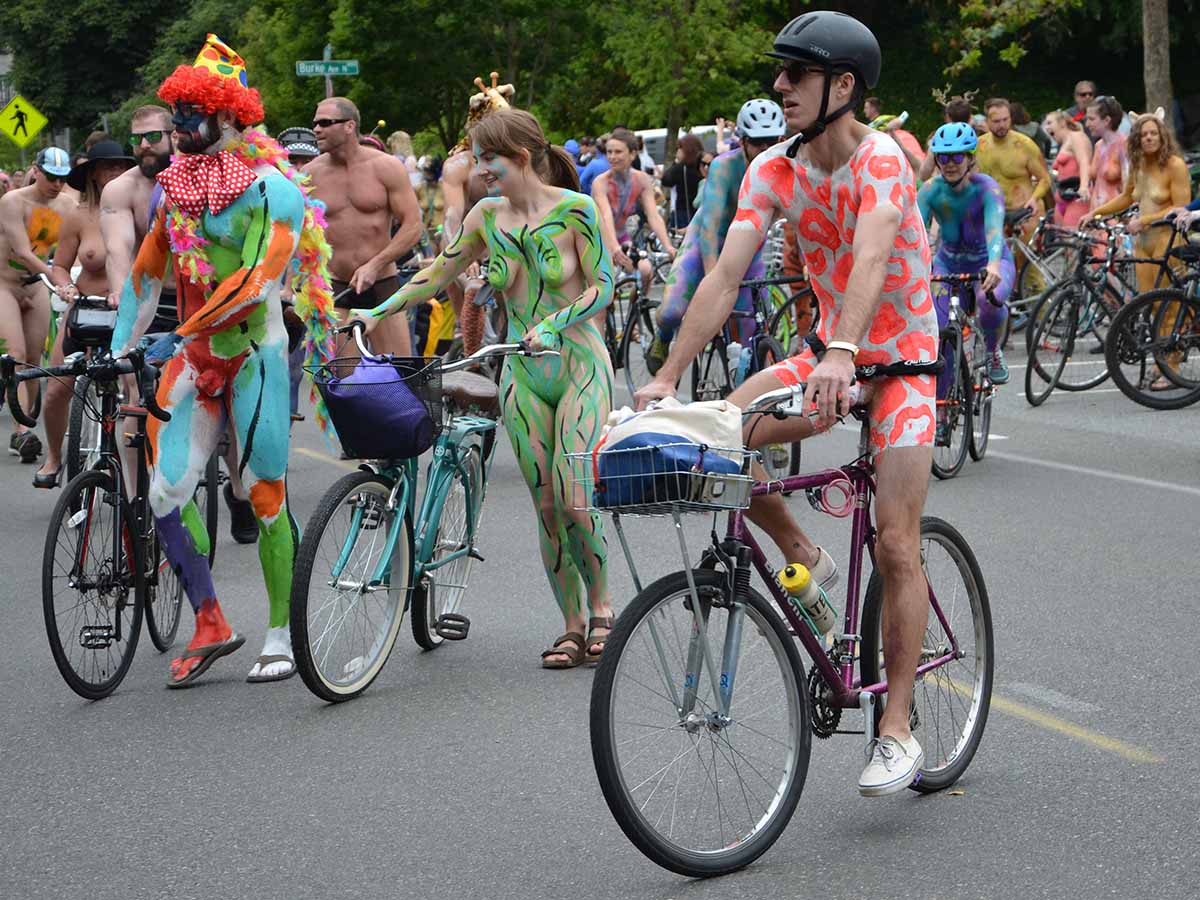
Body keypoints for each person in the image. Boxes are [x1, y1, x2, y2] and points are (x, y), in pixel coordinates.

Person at [637, 11, 940, 796]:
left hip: (900, 359)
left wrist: (845, 351)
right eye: (779, 72)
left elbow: (873, 252)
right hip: (826, 355)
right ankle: (805, 557)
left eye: (795, 74)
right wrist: (669, 375)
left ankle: (899, 728)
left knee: (898, 545)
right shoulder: (774, 168)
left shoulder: (884, 162)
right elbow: (724, 275)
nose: (779, 86)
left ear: (844, 86)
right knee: (721, 437)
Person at [352, 108, 616, 669]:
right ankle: (571, 626)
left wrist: (553, 322)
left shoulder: (576, 210)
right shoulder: (486, 217)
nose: (479, 169)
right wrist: (376, 309)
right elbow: (437, 274)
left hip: (578, 365)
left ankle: (603, 609)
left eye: (486, 158)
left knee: (574, 497)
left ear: (520, 157)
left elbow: (604, 289)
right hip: (520, 368)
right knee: (545, 503)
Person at [111, 34, 336, 686]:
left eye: (190, 116)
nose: (178, 128)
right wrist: (120, 348)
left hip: (255, 354)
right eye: (175, 115)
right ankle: (210, 620)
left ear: (229, 118)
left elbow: (254, 283)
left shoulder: (273, 190)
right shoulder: (176, 188)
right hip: (193, 354)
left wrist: (180, 329)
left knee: (265, 495)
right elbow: (146, 277)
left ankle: (279, 630)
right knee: (163, 492)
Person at [646, 98, 786, 372]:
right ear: (743, 141)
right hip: (706, 244)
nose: (765, 149)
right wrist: (713, 279)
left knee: (755, 326)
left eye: (772, 141)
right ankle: (662, 336)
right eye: (758, 142)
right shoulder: (723, 166)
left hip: (748, 250)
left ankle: (745, 391)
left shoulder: (784, 167)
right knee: (673, 311)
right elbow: (709, 225)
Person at [31, 140, 134, 488]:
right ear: (93, 173)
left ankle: (145, 468)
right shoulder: (77, 214)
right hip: (88, 310)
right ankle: (55, 457)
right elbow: (59, 266)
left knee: (143, 390)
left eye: (122, 166)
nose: (116, 173)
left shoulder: (145, 206)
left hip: (131, 312)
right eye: (108, 167)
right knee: (58, 387)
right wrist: (67, 287)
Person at [305, 96, 422, 358]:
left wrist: (376, 264)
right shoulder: (311, 174)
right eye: (315, 123)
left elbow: (413, 225)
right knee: (345, 388)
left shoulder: (385, 166)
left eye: (325, 122)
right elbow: (298, 234)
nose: (316, 129)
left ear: (349, 126)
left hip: (382, 283)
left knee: (398, 379)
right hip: (337, 286)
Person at [1092, 112, 1192, 390]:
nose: (1148, 138)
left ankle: (1171, 368)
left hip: (1168, 241)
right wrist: (1096, 212)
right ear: (1136, 138)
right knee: (1148, 306)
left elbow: (1180, 206)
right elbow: (1127, 196)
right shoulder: (1138, 164)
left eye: (1153, 134)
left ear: (1162, 137)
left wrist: (1143, 221)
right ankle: (1161, 363)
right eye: (1143, 134)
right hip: (1143, 244)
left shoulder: (1174, 165)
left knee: (1168, 306)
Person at [918, 122, 1014, 407]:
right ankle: (942, 407)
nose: (949, 164)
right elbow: (917, 236)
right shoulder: (930, 191)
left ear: (971, 158)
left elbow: (995, 230)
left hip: (989, 261)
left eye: (957, 156)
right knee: (937, 327)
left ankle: (994, 350)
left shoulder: (987, 189)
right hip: (947, 264)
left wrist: (994, 265)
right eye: (943, 158)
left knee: (988, 300)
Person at [0, 146, 76, 463]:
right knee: (15, 354)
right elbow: (22, 252)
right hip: (5, 284)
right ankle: (21, 432)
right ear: (36, 170)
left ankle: (25, 423)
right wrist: (59, 280)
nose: (56, 184)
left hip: (37, 288)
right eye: (50, 177)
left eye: (62, 178)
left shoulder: (68, 204)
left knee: (34, 361)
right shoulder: (12, 201)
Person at [441, 72, 516, 357]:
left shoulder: (516, 160)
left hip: (506, 238)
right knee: (472, 290)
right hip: (467, 241)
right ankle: (471, 358)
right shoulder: (457, 166)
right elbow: (452, 217)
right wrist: (463, 256)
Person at [593, 129, 676, 299]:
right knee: (605, 294)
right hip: (599, 237)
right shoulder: (600, 182)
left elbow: (653, 215)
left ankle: (634, 316)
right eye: (609, 152)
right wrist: (614, 247)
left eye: (618, 152)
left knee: (646, 271)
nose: (612, 157)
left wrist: (667, 245)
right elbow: (606, 215)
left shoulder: (641, 179)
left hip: (622, 237)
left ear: (632, 154)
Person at [976, 97, 1052, 241]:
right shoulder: (979, 146)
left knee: (1026, 262)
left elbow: (1045, 179)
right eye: (997, 121)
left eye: (1005, 120)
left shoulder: (1024, 145)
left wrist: (1034, 198)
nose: (1002, 125)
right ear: (986, 122)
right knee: (997, 261)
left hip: (1025, 212)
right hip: (995, 213)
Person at [1044, 110, 1092, 227]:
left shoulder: (1076, 136)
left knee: (1070, 240)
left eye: (1050, 123)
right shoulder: (1064, 143)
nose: (1046, 127)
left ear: (1062, 123)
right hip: (1062, 196)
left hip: (1076, 197)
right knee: (1060, 241)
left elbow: (1084, 161)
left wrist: (1084, 186)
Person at [1086, 95, 1129, 212]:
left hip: (1116, 216)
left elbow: (1129, 190)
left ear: (1106, 120)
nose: (1087, 124)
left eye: (1091, 119)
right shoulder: (1098, 146)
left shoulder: (1124, 145)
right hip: (1095, 216)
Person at [660, 133, 704, 229]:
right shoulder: (704, 165)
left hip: (683, 212)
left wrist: (676, 162)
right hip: (702, 211)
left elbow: (666, 180)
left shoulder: (681, 168)